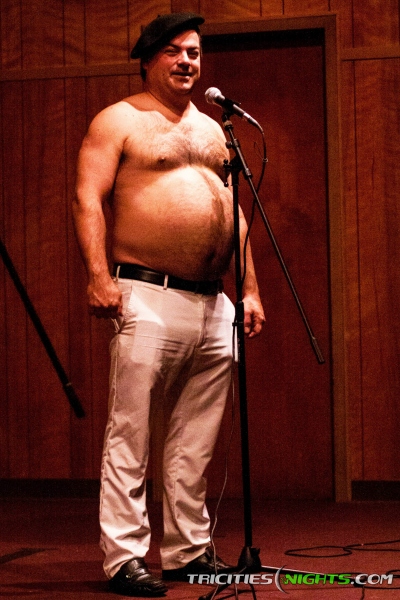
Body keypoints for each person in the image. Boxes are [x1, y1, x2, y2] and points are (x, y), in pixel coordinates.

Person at [72, 12, 265, 597]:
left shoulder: (213, 129)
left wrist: (249, 288)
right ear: (149, 58)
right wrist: (98, 276)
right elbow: (87, 197)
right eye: (175, 51)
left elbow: (233, 213)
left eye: (195, 52)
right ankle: (124, 557)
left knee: (195, 436)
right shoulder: (119, 120)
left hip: (212, 301)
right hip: (145, 293)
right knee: (130, 432)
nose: (187, 61)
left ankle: (188, 551)